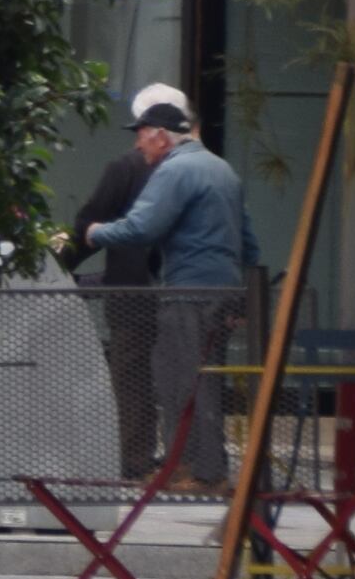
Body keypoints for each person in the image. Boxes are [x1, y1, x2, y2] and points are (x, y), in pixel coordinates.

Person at [77, 81, 250, 490]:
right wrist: (243, 296)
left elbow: (143, 227)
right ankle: (193, 466)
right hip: (222, 290)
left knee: (182, 383)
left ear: (159, 135)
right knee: (201, 380)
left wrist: (95, 233)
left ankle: (201, 472)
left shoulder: (175, 169)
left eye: (141, 137)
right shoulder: (222, 168)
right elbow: (249, 239)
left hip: (187, 293)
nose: (139, 147)